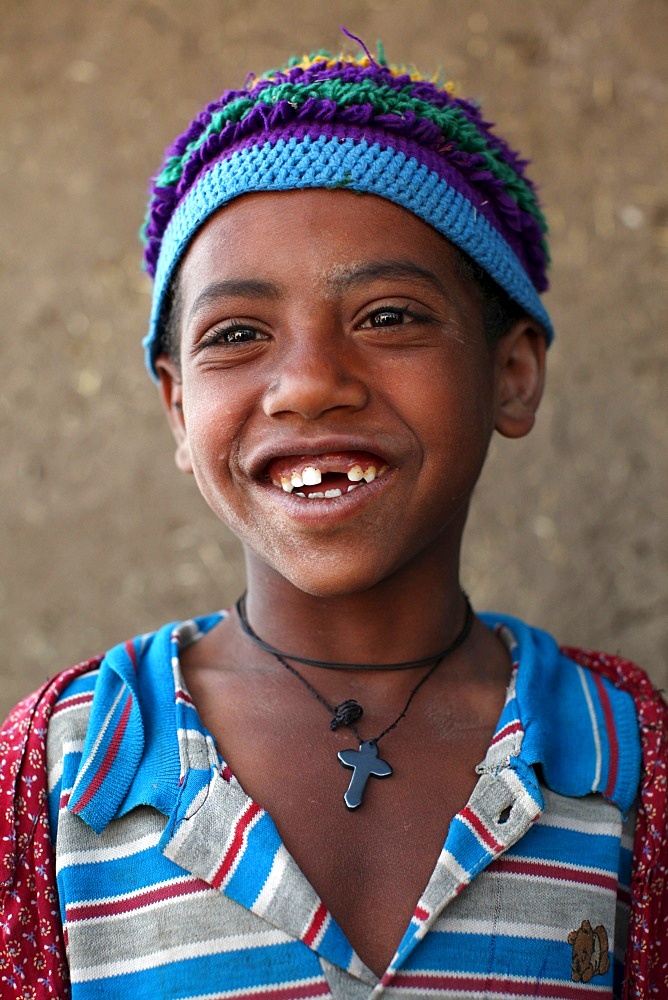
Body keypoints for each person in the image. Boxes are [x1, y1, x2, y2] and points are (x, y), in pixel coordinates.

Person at [1, 42, 666, 1000]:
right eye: (237, 335)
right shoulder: (66, 771)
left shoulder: (622, 762)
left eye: (389, 316)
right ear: (179, 411)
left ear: (511, 375)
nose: (309, 382)